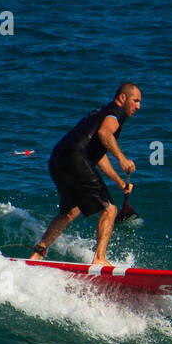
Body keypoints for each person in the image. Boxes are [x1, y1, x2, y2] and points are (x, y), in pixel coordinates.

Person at [30, 82, 141, 266]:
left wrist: (120, 182)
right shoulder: (116, 112)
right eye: (135, 101)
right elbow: (105, 133)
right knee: (109, 209)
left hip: (58, 159)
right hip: (75, 158)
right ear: (122, 98)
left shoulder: (100, 112)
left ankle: (37, 254)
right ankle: (99, 259)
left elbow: (98, 156)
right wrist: (122, 158)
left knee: (70, 210)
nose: (138, 106)